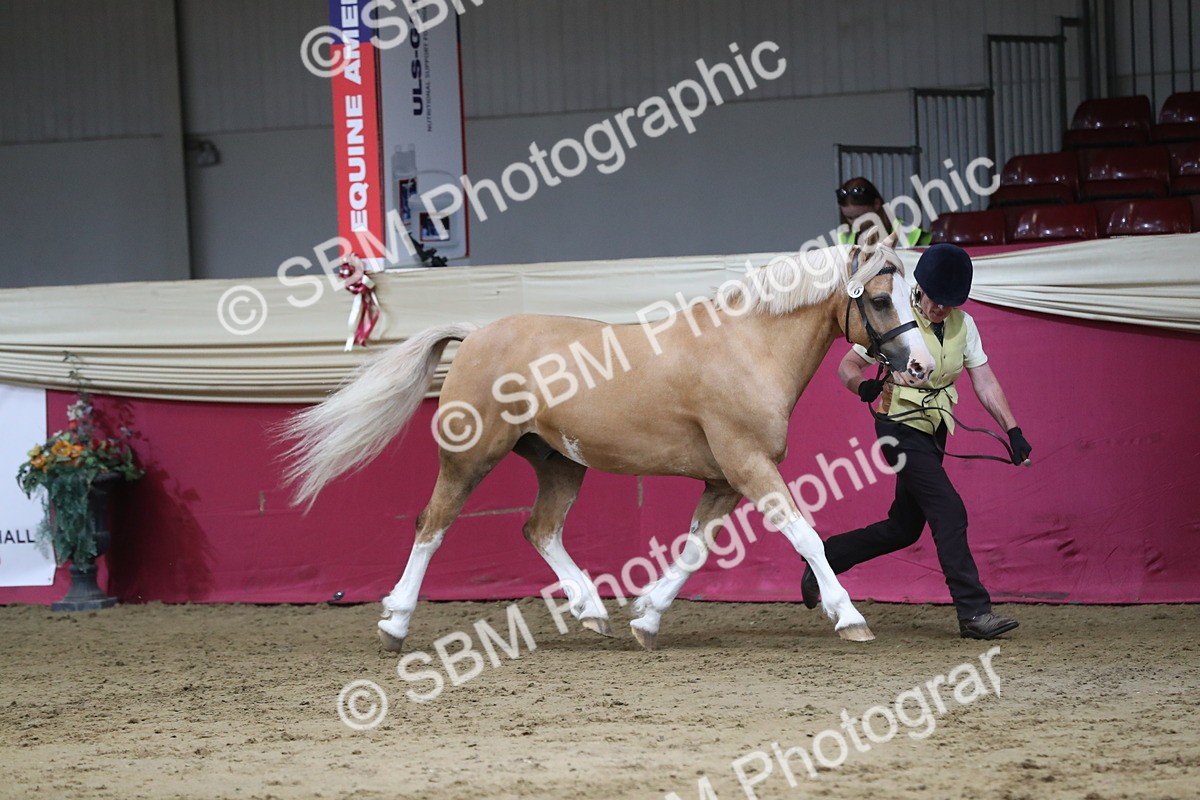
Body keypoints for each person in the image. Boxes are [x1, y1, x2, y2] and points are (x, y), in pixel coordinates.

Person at [802, 243, 1031, 639]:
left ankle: (824, 558)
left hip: (935, 429)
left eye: (949, 302)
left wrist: (1013, 430)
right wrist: (865, 387)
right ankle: (974, 613)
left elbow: (985, 381)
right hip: (898, 426)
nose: (940, 308)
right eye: (935, 299)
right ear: (920, 287)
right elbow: (848, 365)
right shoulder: (897, 315)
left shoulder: (964, 325)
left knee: (904, 527)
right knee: (949, 510)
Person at [835, 176, 932, 247]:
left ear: (876, 204)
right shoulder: (844, 237)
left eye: (861, 217)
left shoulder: (909, 234)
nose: (855, 223)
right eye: (850, 218)